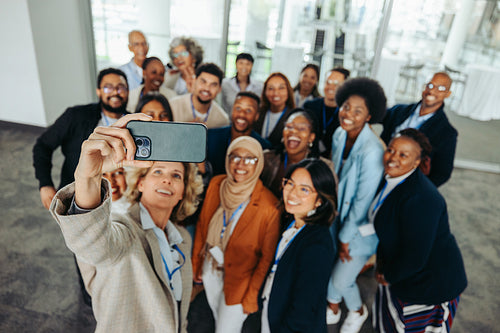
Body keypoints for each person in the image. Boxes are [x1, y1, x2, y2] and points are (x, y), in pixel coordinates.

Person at [50, 113, 204, 332]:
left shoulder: (183, 239)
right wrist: (88, 177)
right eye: (157, 171)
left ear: (182, 192)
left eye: (177, 175)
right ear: (141, 183)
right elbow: (93, 244)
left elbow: (179, 307)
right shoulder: (123, 229)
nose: (167, 179)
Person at [372, 128, 467, 332]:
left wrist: (388, 275)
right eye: (391, 150)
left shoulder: (422, 199)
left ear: (416, 163)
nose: (392, 158)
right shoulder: (391, 178)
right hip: (400, 272)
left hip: (431, 282)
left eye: (403, 155)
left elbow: (415, 257)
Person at [192, 137, 281, 333]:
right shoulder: (217, 184)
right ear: (227, 158)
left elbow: (266, 258)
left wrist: (252, 296)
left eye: (250, 159)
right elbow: (202, 225)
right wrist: (196, 265)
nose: (241, 164)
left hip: (241, 280)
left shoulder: (269, 206)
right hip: (211, 266)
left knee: (226, 329)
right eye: (235, 157)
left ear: (259, 164)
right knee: (217, 315)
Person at [326, 77, 387, 333]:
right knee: (336, 274)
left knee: (336, 284)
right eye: (346, 106)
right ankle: (343, 308)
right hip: (337, 217)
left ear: (369, 116)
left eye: (358, 111)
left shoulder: (373, 151)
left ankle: (355, 310)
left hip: (360, 229)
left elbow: (361, 203)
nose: (348, 114)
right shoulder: (340, 133)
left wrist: (344, 238)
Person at [33, 68, 129, 210]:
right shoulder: (76, 116)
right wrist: (45, 184)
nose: (115, 92)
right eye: (108, 87)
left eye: (121, 87)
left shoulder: (134, 123)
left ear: (128, 91)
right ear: (98, 91)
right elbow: (43, 145)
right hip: (78, 200)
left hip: (124, 202)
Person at [261, 158, 337, 333]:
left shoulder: (317, 246)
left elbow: (303, 311)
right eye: (290, 184)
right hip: (274, 310)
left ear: (320, 200)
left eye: (304, 189)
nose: (292, 194)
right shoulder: (292, 221)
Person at [380, 72, 457, 187]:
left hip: (404, 184)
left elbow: (442, 173)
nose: (432, 91)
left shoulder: (447, 133)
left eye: (440, 88)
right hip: (379, 168)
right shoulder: (399, 111)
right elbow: (373, 115)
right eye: (430, 85)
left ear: (448, 94)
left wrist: (415, 190)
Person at [261, 109, 334, 199]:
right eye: (289, 127)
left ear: (311, 137)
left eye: (301, 128)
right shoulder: (266, 158)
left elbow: (329, 206)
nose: (294, 131)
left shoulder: (325, 168)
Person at [207, 91, 271, 176]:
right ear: (232, 110)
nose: (241, 114)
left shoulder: (263, 147)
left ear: (256, 116)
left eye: (248, 110)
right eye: (238, 108)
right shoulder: (211, 137)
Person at [304, 67, 350, 158]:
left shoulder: (347, 114)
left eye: (336, 84)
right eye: (328, 82)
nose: (331, 87)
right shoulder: (309, 106)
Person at [169, 63, 229, 129]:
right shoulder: (172, 106)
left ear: (219, 89)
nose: (207, 88)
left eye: (213, 85)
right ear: (194, 81)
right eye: (203, 82)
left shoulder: (222, 120)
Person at [254, 73, 295, 148]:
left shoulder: (295, 117)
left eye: (281, 88)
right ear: (265, 92)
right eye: (271, 88)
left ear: (288, 91)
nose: (276, 93)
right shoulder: (258, 113)